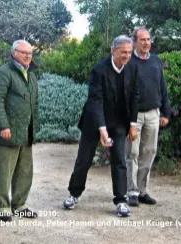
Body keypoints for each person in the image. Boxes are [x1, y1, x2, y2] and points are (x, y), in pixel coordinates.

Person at [63, 35, 139, 217]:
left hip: (119, 122)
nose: (127, 56)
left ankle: (121, 201)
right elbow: (95, 101)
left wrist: (133, 124)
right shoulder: (98, 70)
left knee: (120, 160)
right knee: (84, 160)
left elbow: (135, 97)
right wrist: (102, 129)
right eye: (123, 52)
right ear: (113, 50)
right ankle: (74, 194)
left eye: (129, 52)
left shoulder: (132, 69)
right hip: (94, 122)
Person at [0, 40, 39, 222]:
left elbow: (35, 104)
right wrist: (3, 125)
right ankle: (2, 206)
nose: (27, 55)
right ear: (13, 53)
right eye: (23, 52)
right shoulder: (3, 73)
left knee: (25, 170)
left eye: (30, 53)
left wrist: (35, 128)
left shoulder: (31, 76)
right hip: (7, 132)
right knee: (4, 170)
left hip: (26, 132)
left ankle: (20, 205)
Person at [125, 27, 171, 207]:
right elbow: (125, 92)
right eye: (142, 39)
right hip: (134, 117)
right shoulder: (130, 63)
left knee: (149, 152)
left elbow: (163, 88)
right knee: (132, 153)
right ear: (134, 42)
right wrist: (128, 119)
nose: (146, 43)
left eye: (148, 39)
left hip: (153, 114)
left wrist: (166, 112)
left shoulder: (156, 62)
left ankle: (143, 191)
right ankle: (132, 191)